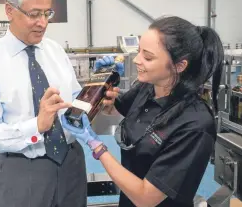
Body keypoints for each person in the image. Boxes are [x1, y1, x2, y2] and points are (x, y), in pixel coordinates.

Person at [61, 16, 224, 207]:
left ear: (179, 65)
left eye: (148, 57)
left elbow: (146, 198)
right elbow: (114, 108)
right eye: (138, 51)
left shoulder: (195, 124)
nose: (137, 60)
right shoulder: (147, 88)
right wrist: (100, 85)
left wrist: (96, 145)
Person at [0, 0, 87, 207]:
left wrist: (94, 101)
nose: (42, 22)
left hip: (71, 164)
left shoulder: (56, 52)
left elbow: (74, 99)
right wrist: (36, 126)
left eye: (47, 13)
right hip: (23, 170)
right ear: (10, 11)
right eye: (34, 14)